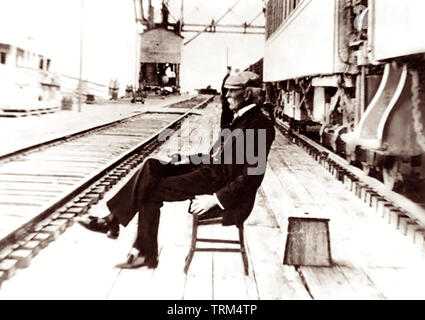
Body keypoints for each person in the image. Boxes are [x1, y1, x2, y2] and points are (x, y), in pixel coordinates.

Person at [78, 71, 276, 269]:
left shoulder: (259, 125)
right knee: (151, 165)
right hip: (208, 173)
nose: (226, 96)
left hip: (220, 189)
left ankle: (139, 248)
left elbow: (252, 177)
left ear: (248, 94)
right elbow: (216, 155)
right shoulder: (239, 118)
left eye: (232, 91)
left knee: (150, 190)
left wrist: (215, 198)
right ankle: (115, 223)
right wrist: (187, 159)